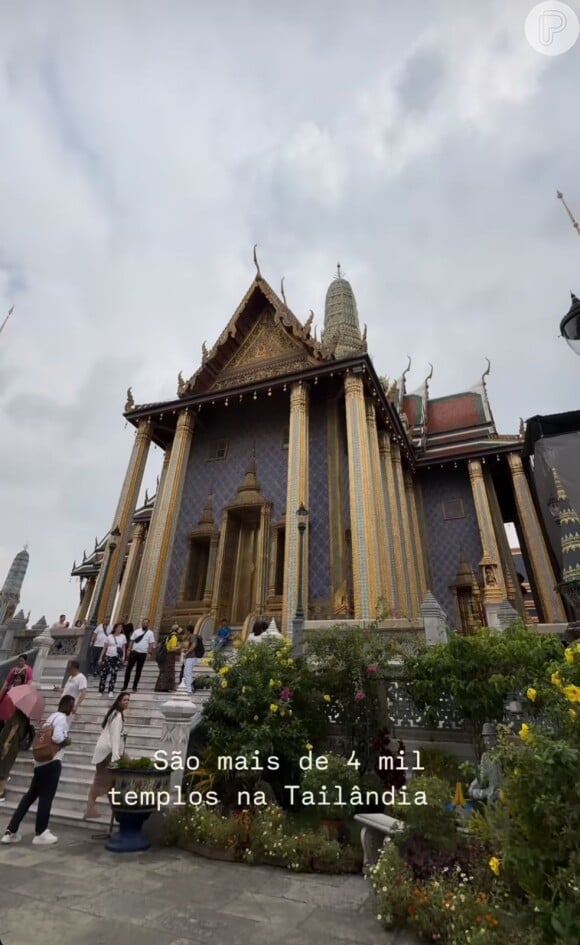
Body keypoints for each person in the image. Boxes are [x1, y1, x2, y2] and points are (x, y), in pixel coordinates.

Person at [1, 694, 74, 845]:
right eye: (71, 706)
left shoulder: (51, 717)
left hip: (39, 763)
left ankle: (11, 830)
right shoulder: (61, 719)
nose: (72, 709)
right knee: (46, 797)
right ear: (66, 705)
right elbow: (57, 738)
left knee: (29, 796)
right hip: (52, 762)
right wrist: (67, 741)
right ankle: (41, 832)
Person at [84, 691, 130, 819]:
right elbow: (115, 736)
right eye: (124, 700)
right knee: (103, 780)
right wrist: (116, 756)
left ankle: (116, 810)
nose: (126, 702)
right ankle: (91, 808)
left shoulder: (113, 713)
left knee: (109, 781)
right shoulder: (117, 716)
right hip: (108, 751)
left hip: (105, 750)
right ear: (119, 701)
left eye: (128, 700)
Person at [0, 709, 29, 801]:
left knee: (4, 766)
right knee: (5, 766)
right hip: (13, 744)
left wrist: (7, 742)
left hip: (10, 743)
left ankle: (1, 792)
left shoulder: (17, 713)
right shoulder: (24, 716)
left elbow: (15, 727)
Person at [123, 618, 155, 692]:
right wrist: (128, 649)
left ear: (148, 624)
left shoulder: (150, 633)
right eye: (144, 623)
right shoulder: (136, 631)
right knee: (128, 669)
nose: (145, 624)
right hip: (134, 652)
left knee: (138, 670)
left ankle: (135, 686)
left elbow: (151, 644)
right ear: (142, 623)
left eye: (146, 623)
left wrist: (149, 653)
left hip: (142, 653)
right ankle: (125, 685)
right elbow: (131, 641)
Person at [98, 623, 127, 697]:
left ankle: (111, 690)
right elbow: (104, 648)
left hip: (116, 657)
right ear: (115, 628)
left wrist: (123, 656)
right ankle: (101, 690)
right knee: (104, 673)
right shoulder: (109, 636)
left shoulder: (123, 637)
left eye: (121, 627)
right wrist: (101, 657)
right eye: (119, 627)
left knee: (114, 673)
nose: (120, 629)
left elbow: (123, 648)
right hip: (108, 655)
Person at [154, 625, 180, 692]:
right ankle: (165, 687)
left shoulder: (168, 636)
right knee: (168, 671)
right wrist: (178, 647)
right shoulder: (174, 637)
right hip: (170, 656)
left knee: (164, 671)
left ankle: (160, 686)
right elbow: (171, 649)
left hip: (165, 656)